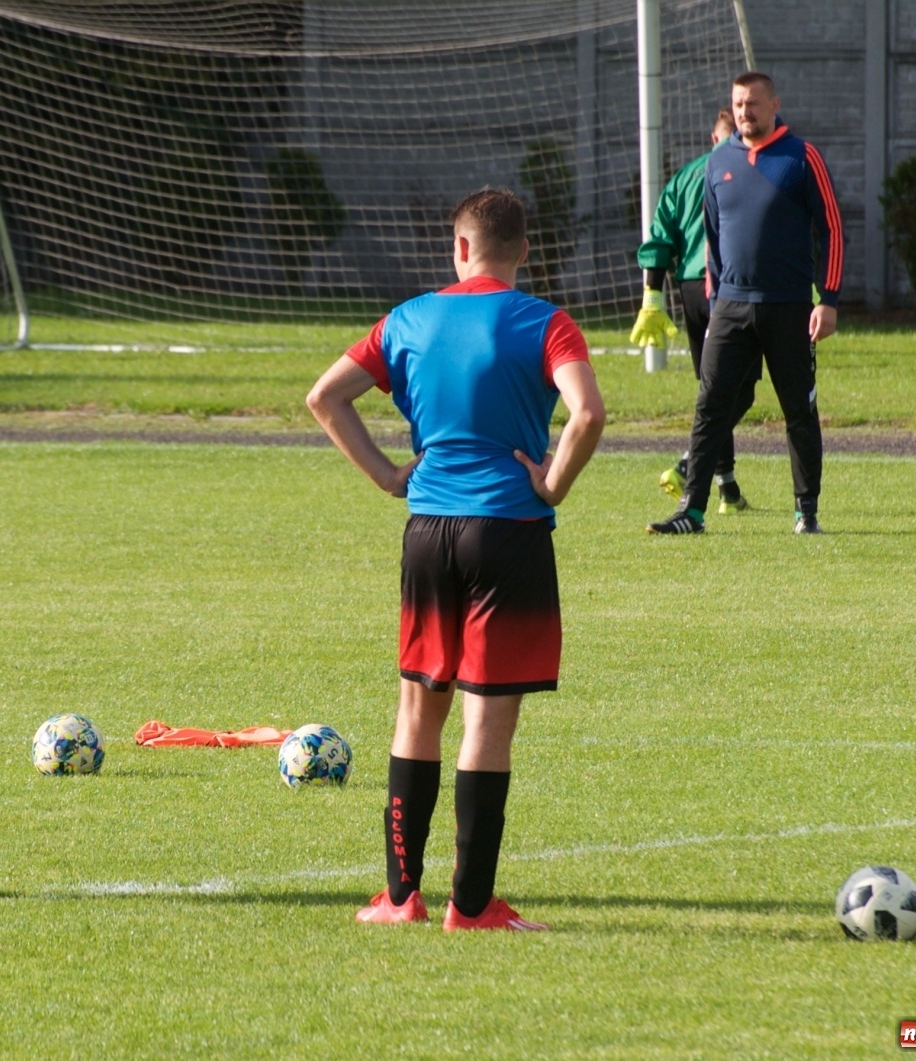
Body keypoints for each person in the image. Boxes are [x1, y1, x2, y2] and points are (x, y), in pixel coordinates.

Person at [306, 189, 604, 931]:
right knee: (488, 725)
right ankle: (470, 906)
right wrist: (553, 482)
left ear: (460, 248)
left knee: (418, 712)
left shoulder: (408, 319)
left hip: (429, 528)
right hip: (508, 530)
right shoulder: (546, 322)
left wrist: (383, 473)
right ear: (523, 252)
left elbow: (324, 398)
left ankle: (400, 898)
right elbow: (588, 413)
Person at [649, 71, 843, 536]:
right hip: (731, 308)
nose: (744, 112)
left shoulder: (802, 157)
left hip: (789, 307)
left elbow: (832, 230)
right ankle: (691, 512)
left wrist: (828, 299)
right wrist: (718, 300)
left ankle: (806, 511)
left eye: (753, 103)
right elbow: (713, 241)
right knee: (710, 406)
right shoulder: (719, 162)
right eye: (738, 104)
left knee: (798, 409)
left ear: (774, 104)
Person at [631, 107, 755, 514]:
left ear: (711, 136)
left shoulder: (683, 177)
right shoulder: (745, 171)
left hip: (688, 290)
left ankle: (728, 489)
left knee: (712, 388)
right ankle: (689, 462)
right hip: (727, 289)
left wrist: (652, 295)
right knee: (739, 389)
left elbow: (659, 236)